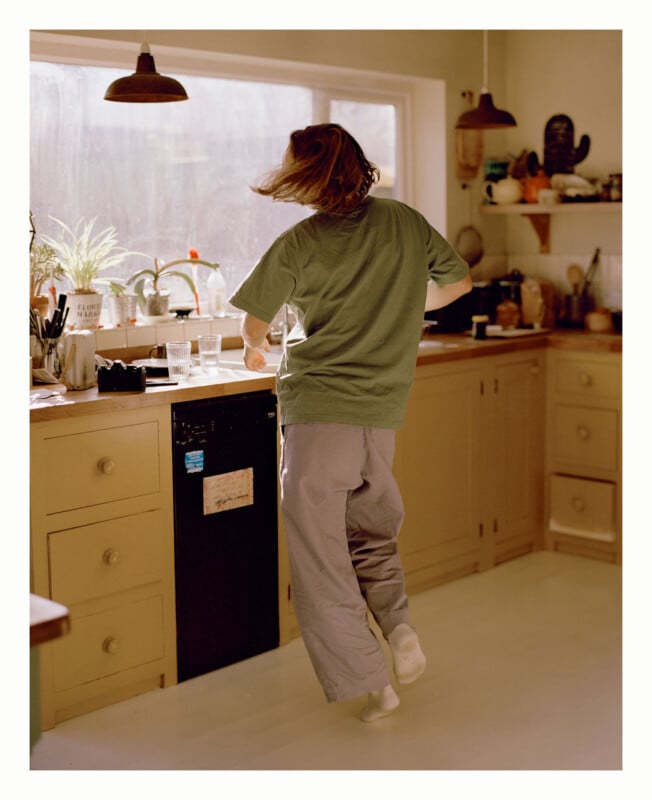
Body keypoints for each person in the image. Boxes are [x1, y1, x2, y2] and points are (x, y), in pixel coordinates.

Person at [229, 123, 471, 722]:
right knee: (371, 534)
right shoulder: (404, 221)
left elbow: (253, 326)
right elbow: (458, 283)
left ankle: (373, 684)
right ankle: (400, 629)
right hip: (380, 418)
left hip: (318, 418)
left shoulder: (299, 242)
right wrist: (401, 303)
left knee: (322, 559)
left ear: (305, 175)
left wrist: (256, 347)